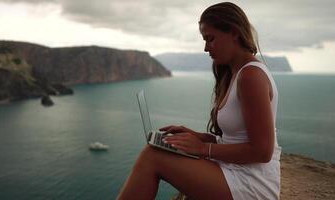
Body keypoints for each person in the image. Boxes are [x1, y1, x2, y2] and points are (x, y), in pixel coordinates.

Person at [117, 2, 281, 200]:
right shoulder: (236, 72)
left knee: (152, 157)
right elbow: (236, 139)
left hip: (251, 183)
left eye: (210, 39)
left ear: (234, 33)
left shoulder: (250, 76)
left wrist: (204, 149)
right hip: (235, 170)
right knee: (154, 150)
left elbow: (262, 151)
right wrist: (198, 137)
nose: (205, 48)